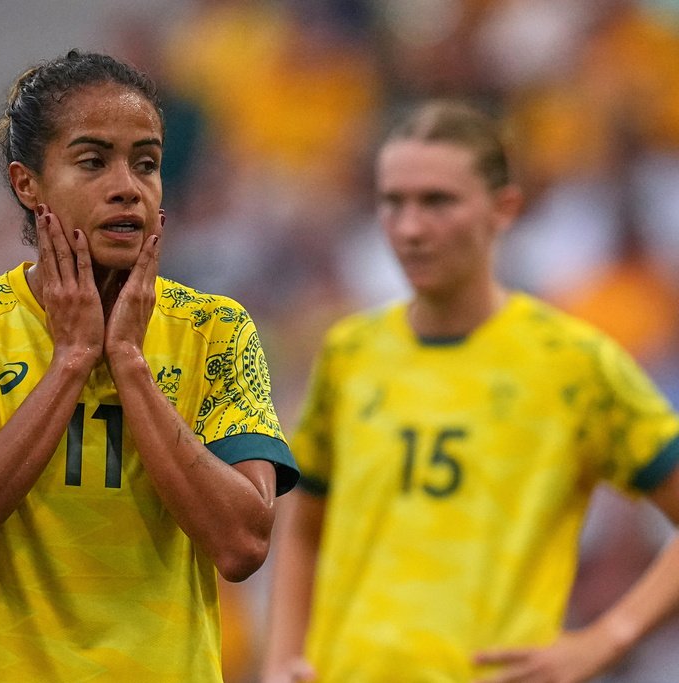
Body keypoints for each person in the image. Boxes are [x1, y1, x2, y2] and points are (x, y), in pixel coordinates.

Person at [0, 50, 299, 682]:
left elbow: (243, 545)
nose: (128, 185)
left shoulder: (217, 331)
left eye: (147, 163)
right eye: (93, 161)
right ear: (28, 184)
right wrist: (72, 359)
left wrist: (126, 361)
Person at [261, 100, 679, 683]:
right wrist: (281, 659)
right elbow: (305, 521)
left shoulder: (573, 363)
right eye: (393, 202)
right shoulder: (349, 353)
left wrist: (606, 639)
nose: (409, 228)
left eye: (438, 201)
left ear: (503, 209)